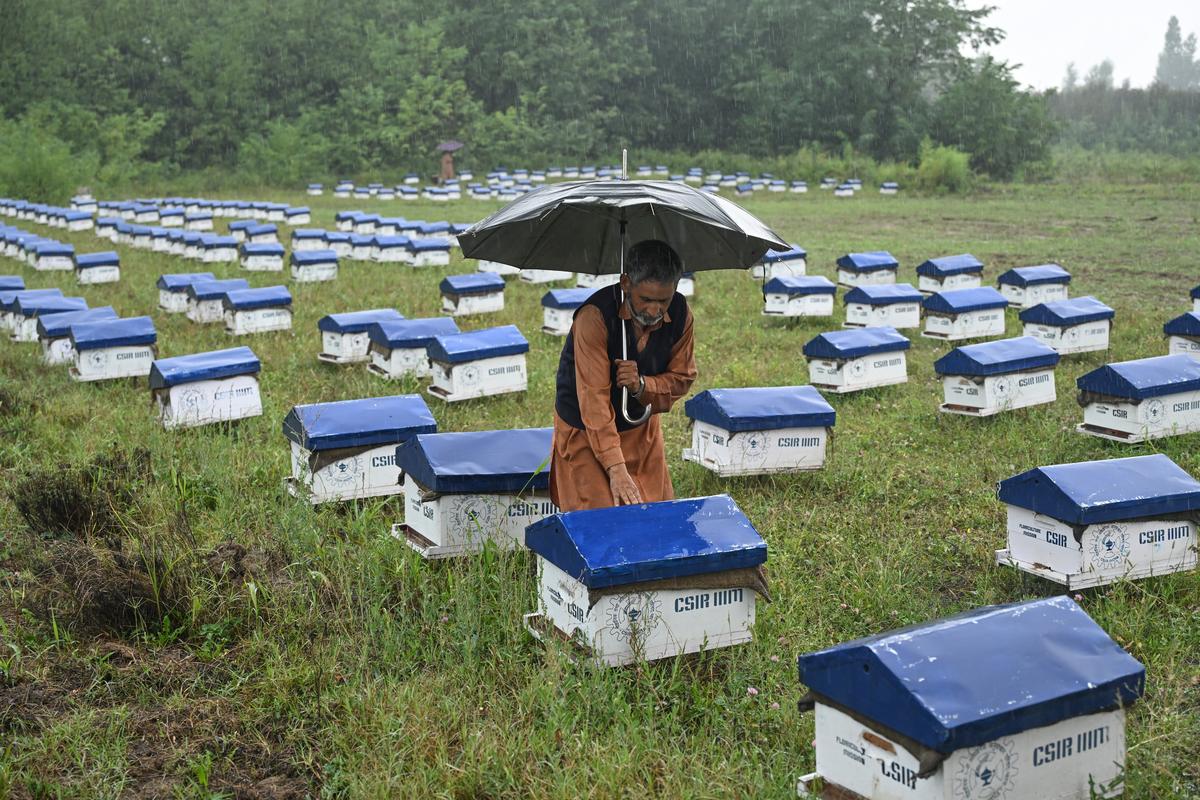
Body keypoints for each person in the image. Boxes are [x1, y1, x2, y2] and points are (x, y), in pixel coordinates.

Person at [550, 240, 697, 511]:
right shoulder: (593, 318)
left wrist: (642, 385)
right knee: (601, 519)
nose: (654, 311)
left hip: (640, 429)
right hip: (587, 429)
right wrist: (616, 468)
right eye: (646, 300)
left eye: (663, 301)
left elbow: (682, 377)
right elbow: (593, 400)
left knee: (654, 513)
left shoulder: (680, 314)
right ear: (626, 283)